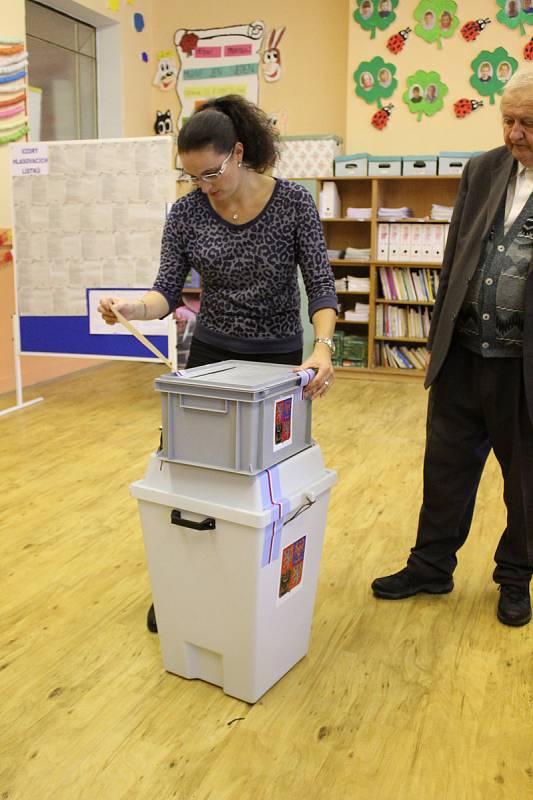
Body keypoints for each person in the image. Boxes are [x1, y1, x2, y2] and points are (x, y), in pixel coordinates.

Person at [98, 95, 338, 633]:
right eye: (192, 178)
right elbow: (165, 291)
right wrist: (134, 308)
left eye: (212, 172)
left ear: (239, 152)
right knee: (185, 473)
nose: (205, 186)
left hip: (276, 363)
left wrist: (321, 347)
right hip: (210, 358)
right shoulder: (185, 213)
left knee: (263, 482)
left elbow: (320, 289)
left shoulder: (294, 204)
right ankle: (181, 581)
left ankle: (254, 582)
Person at [371, 69, 533, 627]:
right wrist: (440, 332)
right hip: (463, 355)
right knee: (444, 469)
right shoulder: (484, 169)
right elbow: (454, 257)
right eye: (508, 121)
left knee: (526, 483)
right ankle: (430, 567)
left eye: (527, 124)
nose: (514, 135)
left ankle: (515, 579)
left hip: (523, 367)